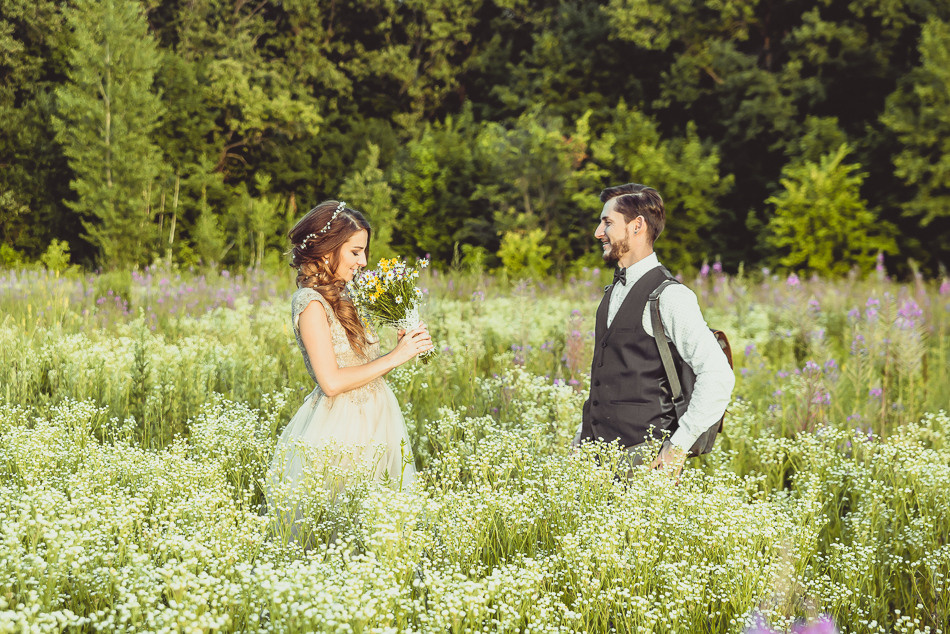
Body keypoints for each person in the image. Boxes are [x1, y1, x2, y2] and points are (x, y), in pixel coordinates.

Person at [267, 200, 433, 542]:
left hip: (377, 418)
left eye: (365, 252)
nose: (364, 261)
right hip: (339, 426)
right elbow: (330, 382)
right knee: (343, 524)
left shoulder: (344, 297)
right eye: (356, 251)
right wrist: (395, 357)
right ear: (328, 250)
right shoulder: (311, 303)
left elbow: (359, 366)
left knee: (380, 525)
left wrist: (403, 341)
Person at [576, 184, 735, 479]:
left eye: (607, 222)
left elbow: (718, 375)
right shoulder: (612, 292)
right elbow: (610, 379)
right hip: (597, 460)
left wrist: (678, 445)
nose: (598, 232)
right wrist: (582, 435)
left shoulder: (670, 297)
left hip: (644, 464)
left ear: (637, 226)